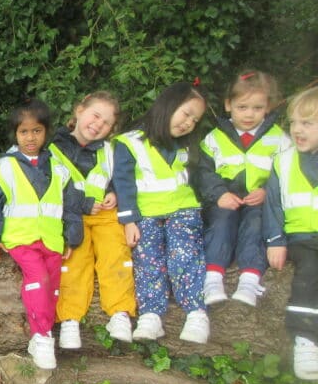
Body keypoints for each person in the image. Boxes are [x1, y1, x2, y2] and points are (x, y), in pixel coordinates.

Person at [0, 99, 84, 370]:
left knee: (51, 286)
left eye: (36, 131)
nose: (30, 137)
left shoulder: (59, 167)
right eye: (24, 132)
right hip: (20, 237)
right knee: (37, 280)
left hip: (51, 238)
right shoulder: (4, 166)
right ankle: (42, 337)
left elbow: (71, 204)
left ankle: (41, 335)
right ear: (15, 134)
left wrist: (72, 237)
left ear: (46, 132)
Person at [113, 81, 210, 344]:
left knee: (185, 255)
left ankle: (196, 312)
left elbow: (197, 179)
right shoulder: (129, 142)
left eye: (195, 119)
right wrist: (129, 220)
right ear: (168, 105)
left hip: (183, 209)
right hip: (146, 213)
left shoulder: (188, 144)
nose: (189, 123)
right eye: (186, 113)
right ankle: (151, 315)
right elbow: (122, 182)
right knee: (147, 260)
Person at [50, 92, 137, 348]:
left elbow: (121, 179)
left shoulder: (110, 150)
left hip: (105, 216)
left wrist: (114, 194)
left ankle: (120, 312)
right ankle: (69, 319)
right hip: (71, 215)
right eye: (95, 115)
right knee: (74, 262)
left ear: (111, 130)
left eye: (106, 122)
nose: (98, 124)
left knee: (116, 255)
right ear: (78, 111)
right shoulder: (53, 147)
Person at [197, 70, 290, 307]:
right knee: (221, 223)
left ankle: (250, 279)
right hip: (224, 200)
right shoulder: (214, 138)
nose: (249, 114)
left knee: (256, 225)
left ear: (267, 107)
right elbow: (203, 173)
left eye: (257, 108)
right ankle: (212, 278)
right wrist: (219, 194)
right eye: (242, 107)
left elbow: (287, 174)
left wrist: (268, 191)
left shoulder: (279, 139)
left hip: (259, 202)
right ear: (228, 105)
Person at [263, 85, 318, 381]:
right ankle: (305, 340)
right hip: (300, 239)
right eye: (294, 122)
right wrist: (275, 241)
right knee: (310, 273)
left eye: (307, 123)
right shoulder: (283, 161)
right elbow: (271, 206)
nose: (297, 129)